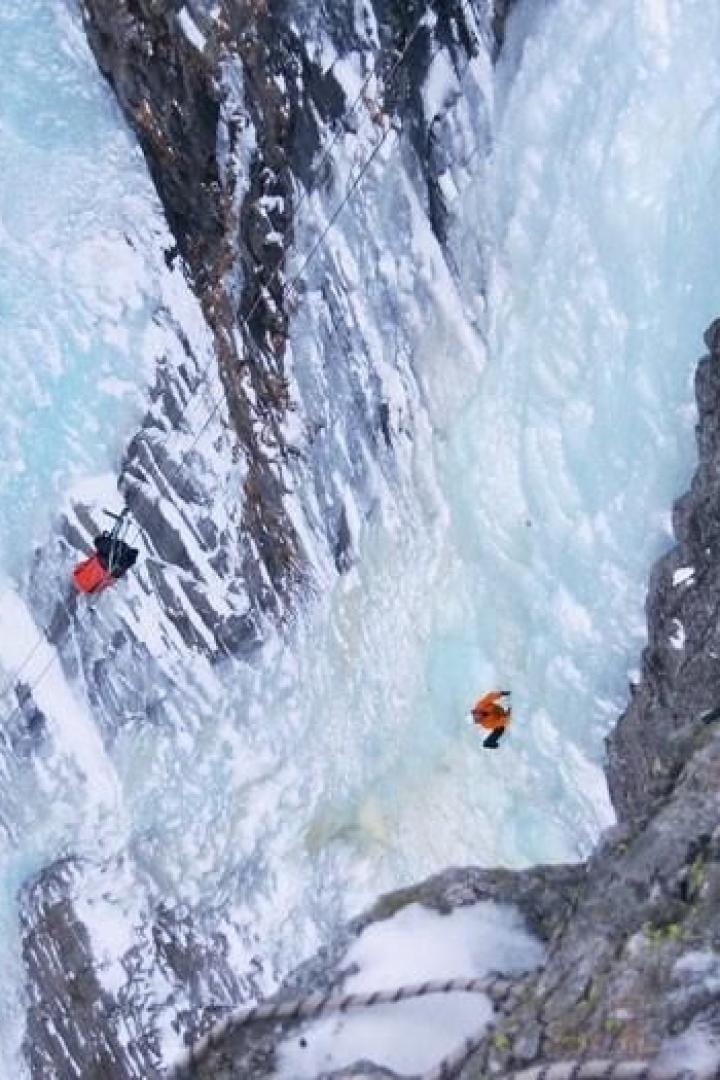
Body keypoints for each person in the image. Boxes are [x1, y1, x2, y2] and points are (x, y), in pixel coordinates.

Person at [72, 529, 138, 595]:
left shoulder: (116, 549)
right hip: (102, 569)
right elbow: (98, 542)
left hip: (102, 569)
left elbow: (97, 542)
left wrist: (105, 538)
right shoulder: (77, 577)